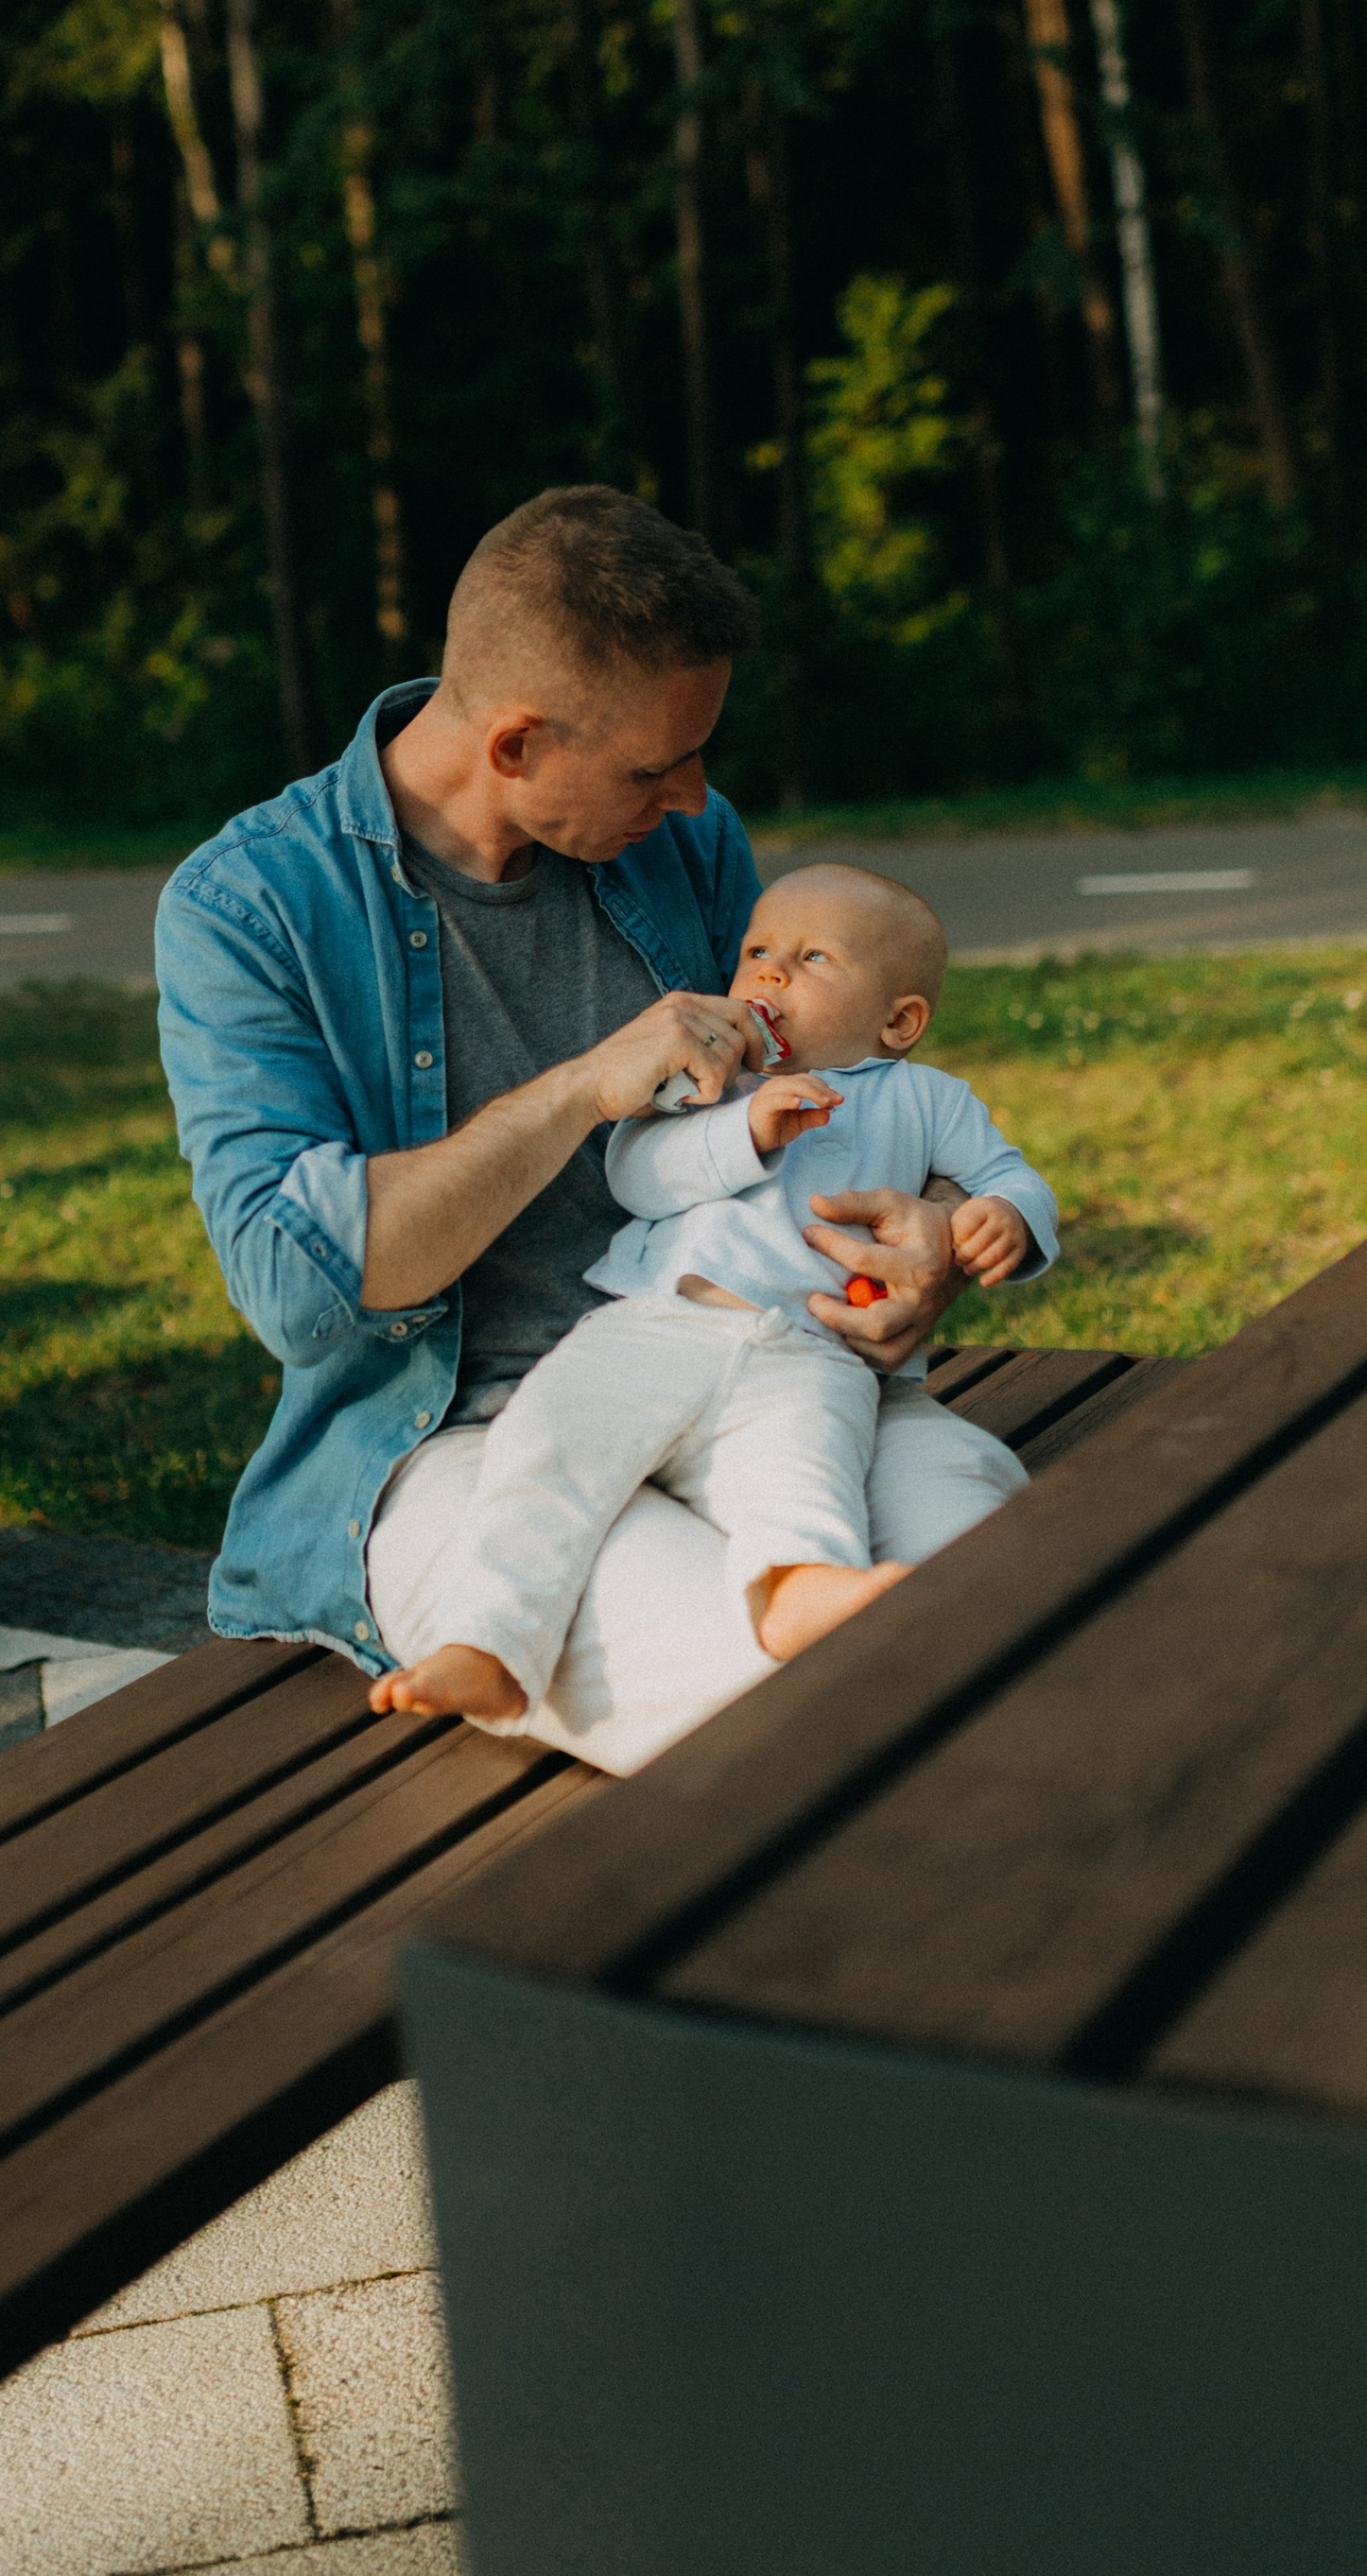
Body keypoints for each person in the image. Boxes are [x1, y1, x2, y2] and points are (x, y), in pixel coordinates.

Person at [154, 486, 1033, 1776]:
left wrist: (928, 1251)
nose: (695, 800)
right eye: (653, 767)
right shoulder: (250, 910)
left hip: (767, 1371)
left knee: (1017, 1600)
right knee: (801, 1706)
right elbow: (299, 1293)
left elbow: (833, 1106)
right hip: (470, 1448)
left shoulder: (685, 844)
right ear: (513, 744)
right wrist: (579, 1088)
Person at [366, 861, 1057, 1732]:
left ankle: (797, 1587)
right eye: (758, 951)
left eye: (813, 958)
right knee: (546, 1447)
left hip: (809, 1352)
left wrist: (1002, 1218)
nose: (770, 973)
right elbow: (636, 1175)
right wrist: (742, 1129)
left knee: (801, 1469)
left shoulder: (926, 1098)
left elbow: (1007, 1175)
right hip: (654, 1330)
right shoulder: (712, 1078)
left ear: (899, 1020)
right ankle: (491, 1641)